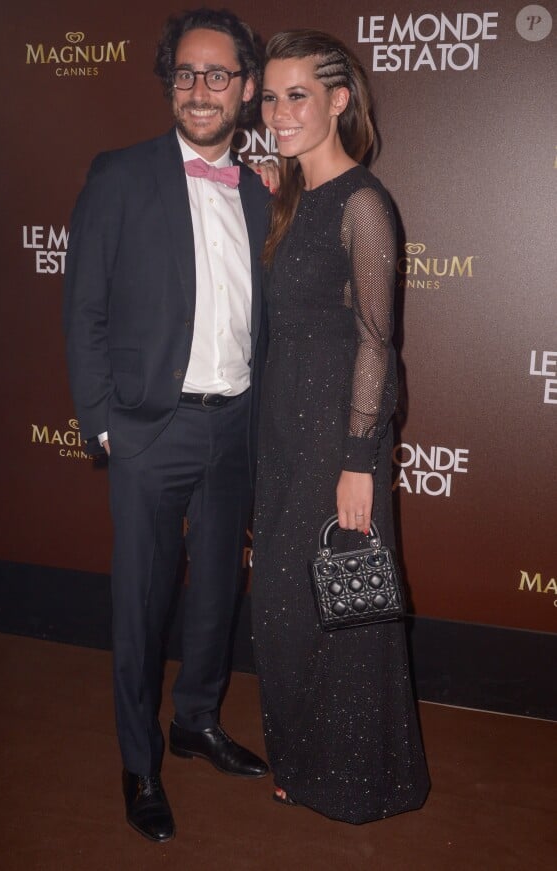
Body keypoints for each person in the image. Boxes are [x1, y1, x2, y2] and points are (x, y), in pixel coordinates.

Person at [63, 8, 271, 843]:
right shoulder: (119, 175)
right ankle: (140, 760)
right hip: (151, 431)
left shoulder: (259, 192)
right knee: (142, 607)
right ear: (170, 82)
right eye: (185, 73)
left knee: (217, 595)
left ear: (247, 90)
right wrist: (106, 426)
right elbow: (85, 312)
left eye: (218, 75)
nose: (199, 89)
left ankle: (196, 722)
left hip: (236, 430)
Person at [251, 30, 430, 824]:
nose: (279, 112)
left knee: (343, 606)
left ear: (338, 100)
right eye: (270, 96)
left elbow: (375, 339)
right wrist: (271, 186)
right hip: (279, 432)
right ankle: (298, 756)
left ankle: (357, 778)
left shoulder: (363, 201)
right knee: (285, 609)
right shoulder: (293, 197)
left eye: (298, 95)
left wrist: (361, 458)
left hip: (335, 438)